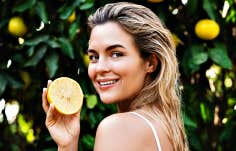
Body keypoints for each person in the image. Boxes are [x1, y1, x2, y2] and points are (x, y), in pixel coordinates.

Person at [42, 2, 189, 151]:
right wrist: (67, 145)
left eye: (116, 54)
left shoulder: (118, 128)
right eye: (93, 57)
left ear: (150, 63)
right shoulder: (166, 127)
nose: (100, 68)